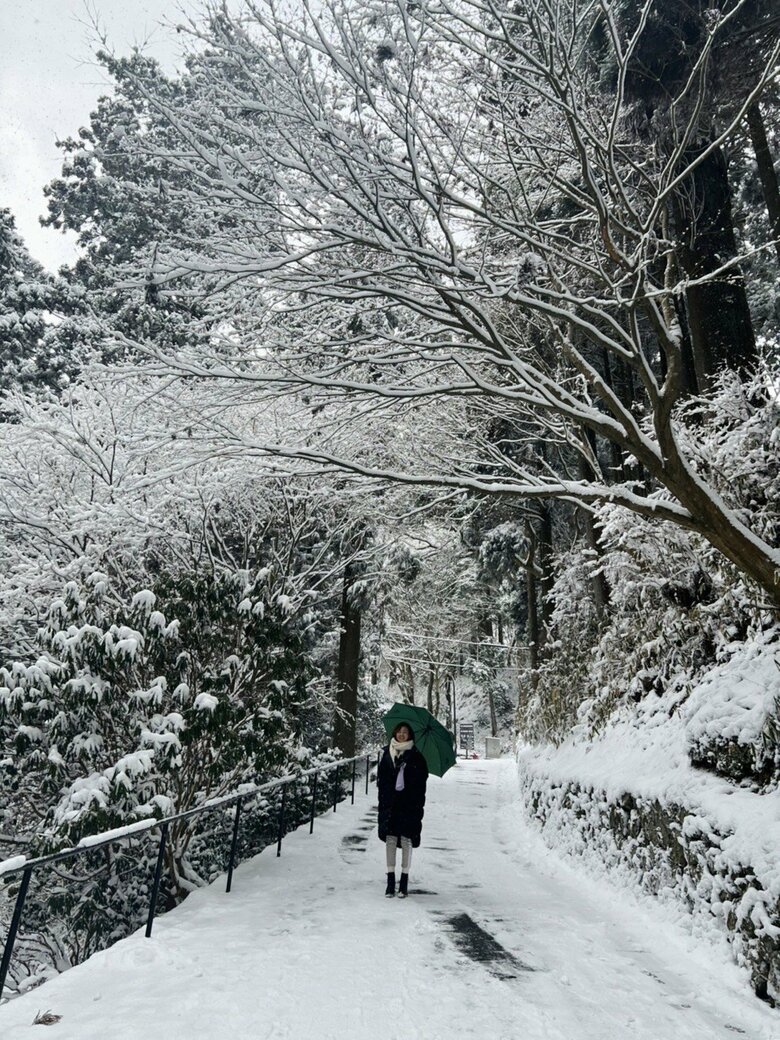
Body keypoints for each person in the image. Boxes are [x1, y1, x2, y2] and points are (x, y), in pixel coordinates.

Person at [377, 722, 428, 898]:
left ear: (410, 735)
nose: (401, 734)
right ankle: (390, 881)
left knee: (406, 840)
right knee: (390, 840)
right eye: (398, 731)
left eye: (405, 732)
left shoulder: (417, 757)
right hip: (390, 804)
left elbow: (421, 784)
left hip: (408, 805)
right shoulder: (387, 754)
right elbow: (382, 780)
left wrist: (407, 772)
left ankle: (404, 881)